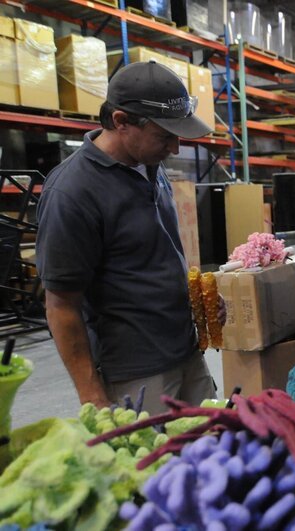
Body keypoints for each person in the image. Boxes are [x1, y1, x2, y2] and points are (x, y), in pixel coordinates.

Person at [36, 60, 220, 414]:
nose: (175, 148)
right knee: (158, 467)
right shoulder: (73, 192)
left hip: (186, 353)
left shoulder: (148, 163)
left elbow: (154, 253)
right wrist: (93, 397)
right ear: (121, 122)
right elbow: (61, 306)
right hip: (136, 373)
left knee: (214, 449)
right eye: (165, 136)